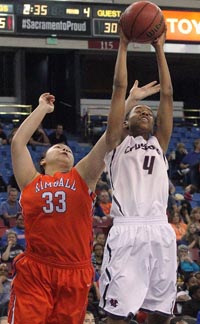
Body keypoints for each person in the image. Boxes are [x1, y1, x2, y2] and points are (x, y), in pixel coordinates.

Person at [9, 68, 160, 324]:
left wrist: (130, 102)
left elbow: (109, 138)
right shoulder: (30, 181)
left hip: (75, 271)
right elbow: (18, 143)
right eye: (59, 147)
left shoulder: (82, 177)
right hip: (37, 269)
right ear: (43, 160)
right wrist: (42, 109)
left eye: (68, 148)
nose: (65, 149)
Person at [99, 26, 177, 324]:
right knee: (115, 314)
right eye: (138, 111)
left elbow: (168, 94)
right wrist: (122, 44)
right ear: (126, 121)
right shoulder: (115, 142)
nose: (145, 113)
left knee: (161, 312)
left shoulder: (160, 143)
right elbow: (119, 90)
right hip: (127, 229)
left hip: (160, 229)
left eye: (149, 112)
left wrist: (160, 49)